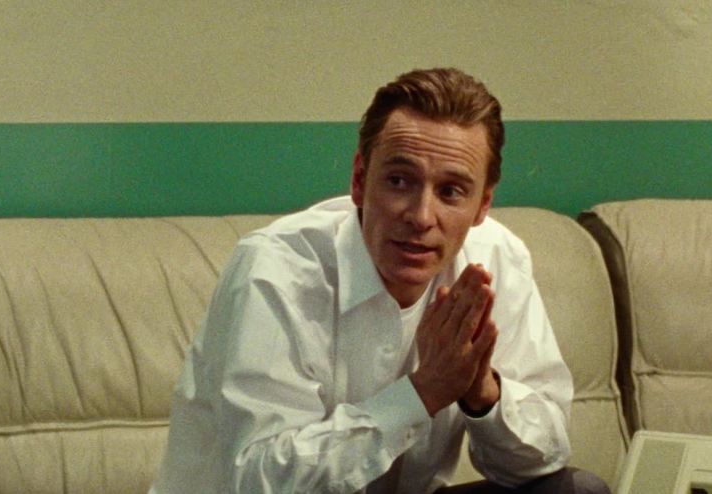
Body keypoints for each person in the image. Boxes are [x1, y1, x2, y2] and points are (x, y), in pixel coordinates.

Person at [150, 68, 611, 494]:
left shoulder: (495, 259)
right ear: (359, 180)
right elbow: (262, 479)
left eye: (451, 191)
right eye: (399, 181)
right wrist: (423, 392)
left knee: (579, 491)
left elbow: (544, 455)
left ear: (483, 206)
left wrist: (483, 394)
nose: (421, 216)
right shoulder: (275, 270)